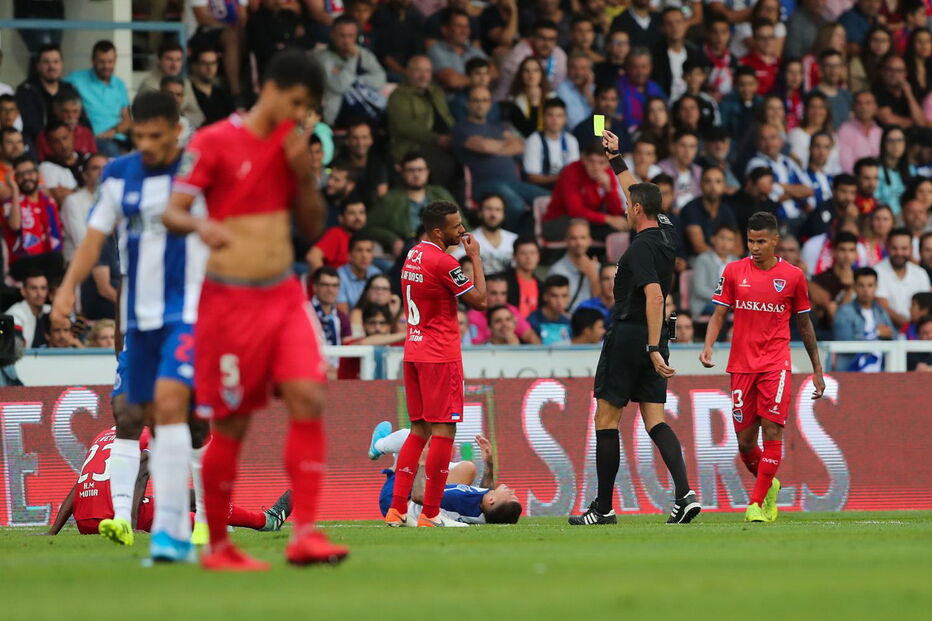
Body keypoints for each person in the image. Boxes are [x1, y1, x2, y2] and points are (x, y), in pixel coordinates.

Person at [163, 50, 347, 569]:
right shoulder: (214, 140)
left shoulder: (290, 145)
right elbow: (173, 211)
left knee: (309, 395)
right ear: (272, 87)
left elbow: (312, 226)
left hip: (284, 295)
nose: (302, 115)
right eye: (298, 103)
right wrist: (202, 225)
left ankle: (306, 533)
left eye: (309, 108)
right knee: (234, 423)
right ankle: (218, 546)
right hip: (229, 303)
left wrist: (302, 173)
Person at [50, 91, 210, 556]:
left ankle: (202, 518)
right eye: (137, 136)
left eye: (155, 136)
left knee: (184, 417)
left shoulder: (197, 172)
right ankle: (125, 519)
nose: (146, 145)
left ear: (176, 131)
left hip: (188, 312)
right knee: (128, 415)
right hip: (140, 317)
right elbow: (93, 240)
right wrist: (66, 288)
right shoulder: (119, 174)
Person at [572, 129, 699, 526]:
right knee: (655, 418)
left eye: (629, 204)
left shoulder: (641, 248)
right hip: (657, 336)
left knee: (605, 420)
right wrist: (616, 158)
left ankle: (604, 508)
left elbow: (656, 297)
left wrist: (650, 347)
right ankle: (685, 495)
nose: (626, 207)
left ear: (638, 209)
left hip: (632, 336)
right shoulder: (665, 231)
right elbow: (638, 191)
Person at [701, 211, 826, 523]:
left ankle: (756, 504)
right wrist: (708, 345)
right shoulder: (732, 271)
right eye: (750, 241)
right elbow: (718, 314)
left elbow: (805, 325)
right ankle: (769, 483)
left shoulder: (794, 277)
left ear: (775, 241)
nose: (754, 247)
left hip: (775, 365)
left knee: (772, 431)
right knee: (745, 443)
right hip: (741, 366)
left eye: (760, 242)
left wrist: (817, 369)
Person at [385, 201, 487, 528]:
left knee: (419, 430)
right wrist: (475, 258)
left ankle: (397, 509)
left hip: (413, 351)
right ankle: (430, 513)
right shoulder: (443, 262)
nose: (462, 230)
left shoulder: (413, 254)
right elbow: (481, 301)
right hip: (439, 355)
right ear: (438, 231)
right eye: (456, 226)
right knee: (445, 431)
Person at [47, 427, 292, 537]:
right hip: (113, 519)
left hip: (85, 521)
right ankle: (264, 521)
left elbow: (78, 485)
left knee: (187, 496)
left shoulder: (104, 434)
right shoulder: (146, 434)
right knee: (195, 517)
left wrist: (53, 531)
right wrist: (131, 527)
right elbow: (143, 468)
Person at [371, 424, 521, 524]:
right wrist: (489, 462)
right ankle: (398, 457)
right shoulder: (483, 508)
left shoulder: (458, 500)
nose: (512, 491)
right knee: (468, 468)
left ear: (492, 501)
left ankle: (378, 446)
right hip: (414, 496)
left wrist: (422, 463)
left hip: (399, 501)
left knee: (415, 439)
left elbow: (419, 496)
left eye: (511, 496)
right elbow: (486, 490)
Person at [452, 86, 545, 232]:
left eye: (484, 100)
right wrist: (505, 146)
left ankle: (534, 239)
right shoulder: (462, 128)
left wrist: (496, 147)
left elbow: (520, 145)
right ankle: (513, 243)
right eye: (475, 100)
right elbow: (484, 147)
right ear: (468, 103)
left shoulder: (498, 127)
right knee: (515, 205)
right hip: (484, 185)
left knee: (548, 199)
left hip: (514, 183)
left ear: (490, 104)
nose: (480, 104)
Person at [386, 55, 457, 189]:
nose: (423, 75)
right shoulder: (399, 96)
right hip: (414, 146)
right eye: (418, 71)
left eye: (427, 71)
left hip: (446, 141)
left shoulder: (436, 92)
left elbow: (447, 117)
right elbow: (405, 127)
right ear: (407, 72)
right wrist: (437, 139)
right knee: (445, 164)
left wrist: (457, 135)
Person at [369, 152, 456, 256]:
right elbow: (370, 227)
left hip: (442, 248)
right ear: (402, 172)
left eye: (420, 170)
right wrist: (392, 239)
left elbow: (462, 224)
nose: (416, 174)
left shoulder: (441, 194)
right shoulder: (389, 199)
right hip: (407, 252)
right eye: (411, 170)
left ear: (427, 171)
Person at [311, 15, 387, 127]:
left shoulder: (363, 54)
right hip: (338, 116)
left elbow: (380, 78)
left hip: (365, 112)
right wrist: (353, 60)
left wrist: (356, 80)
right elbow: (339, 86)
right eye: (342, 36)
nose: (346, 41)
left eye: (351, 36)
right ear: (332, 34)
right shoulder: (324, 58)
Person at [543, 140, 626, 240]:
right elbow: (575, 211)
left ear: (608, 163)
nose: (596, 167)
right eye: (592, 161)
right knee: (587, 228)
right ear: (584, 159)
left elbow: (616, 211)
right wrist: (608, 219)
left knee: (627, 222)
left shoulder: (607, 173)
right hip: (559, 221)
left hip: (589, 220)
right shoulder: (571, 171)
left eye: (601, 162)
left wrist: (609, 189)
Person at [3, 155, 65, 281]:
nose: (26, 178)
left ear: (38, 174)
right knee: (55, 259)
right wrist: (14, 190)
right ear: (15, 178)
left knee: (61, 260)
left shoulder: (49, 203)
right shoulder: (10, 203)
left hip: (48, 258)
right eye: (20, 175)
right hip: (21, 261)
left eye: (30, 173)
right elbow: (14, 225)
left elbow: (58, 236)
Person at [65, 40, 131, 158]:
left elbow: (128, 119)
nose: (106, 66)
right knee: (112, 152)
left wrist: (113, 132)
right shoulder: (76, 79)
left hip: (119, 136)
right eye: (101, 62)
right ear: (93, 60)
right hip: (93, 138)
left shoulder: (119, 84)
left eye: (110, 62)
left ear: (115, 61)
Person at [14, 44, 82, 145]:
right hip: (39, 144)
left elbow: (83, 120)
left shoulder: (70, 89)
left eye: (56, 62)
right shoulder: (26, 91)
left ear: (61, 64)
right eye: (46, 62)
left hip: (71, 144)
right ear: (38, 66)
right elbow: (31, 127)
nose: (52, 66)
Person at [745, 123, 813, 223]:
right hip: (775, 220)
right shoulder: (755, 164)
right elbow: (771, 195)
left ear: (781, 141)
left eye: (772, 138)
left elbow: (809, 190)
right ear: (757, 143)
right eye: (763, 139)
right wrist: (798, 192)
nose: (769, 143)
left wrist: (781, 187)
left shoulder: (789, 162)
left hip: (799, 217)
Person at [833, 266, 895, 371]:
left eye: (870, 285)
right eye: (861, 285)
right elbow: (845, 343)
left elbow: (893, 336)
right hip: (851, 371)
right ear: (854, 287)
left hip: (880, 371)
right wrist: (876, 333)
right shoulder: (844, 312)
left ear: (876, 287)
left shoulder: (881, 311)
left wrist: (889, 334)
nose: (866, 290)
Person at [138, 40, 205, 129]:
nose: (174, 65)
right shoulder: (149, 85)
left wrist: (182, 117)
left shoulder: (185, 83)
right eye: (169, 59)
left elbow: (198, 115)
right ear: (159, 60)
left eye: (178, 60)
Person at [495, 20, 567, 102]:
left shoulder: (560, 55)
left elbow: (554, 87)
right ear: (532, 37)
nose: (546, 44)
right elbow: (521, 85)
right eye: (542, 38)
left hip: (541, 102)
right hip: (508, 100)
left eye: (551, 39)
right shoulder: (519, 53)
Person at [875, 228, 932, 330]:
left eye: (904, 248)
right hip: (888, 332)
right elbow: (882, 306)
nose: (899, 253)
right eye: (894, 248)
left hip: (918, 334)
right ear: (887, 247)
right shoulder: (877, 272)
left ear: (911, 249)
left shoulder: (920, 273)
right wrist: (908, 327)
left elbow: (927, 306)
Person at [428, 8, 490, 96]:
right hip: (450, 104)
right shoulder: (436, 50)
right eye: (459, 26)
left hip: (477, 101)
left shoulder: (474, 50)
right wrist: (481, 79)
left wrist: (469, 80)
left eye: (466, 26)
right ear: (445, 30)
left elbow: (494, 71)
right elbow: (451, 80)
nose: (464, 31)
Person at [450, 194, 518, 274]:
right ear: (480, 212)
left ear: (504, 214)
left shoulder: (515, 240)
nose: (493, 214)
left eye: (498, 209)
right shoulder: (467, 241)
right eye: (489, 209)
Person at [679, 166, 738, 258]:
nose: (713, 186)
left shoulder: (726, 210)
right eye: (708, 181)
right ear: (700, 184)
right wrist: (721, 259)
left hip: (724, 259)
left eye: (718, 181)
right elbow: (699, 247)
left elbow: (738, 246)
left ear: (724, 186)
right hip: (697, 260)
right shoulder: (691, 208)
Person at [466, 274, 540, 345]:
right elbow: (474, 349)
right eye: (494, 293)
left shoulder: (511, 310)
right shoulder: (473, 316)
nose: (499, 299)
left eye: (503, 293)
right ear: (484, 294)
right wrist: (499, 341)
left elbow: (531, 337)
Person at [522, 97, 579, 188]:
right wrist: (561, 178)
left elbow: (574, 172)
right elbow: (532, 177)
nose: (554, 120)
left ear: (565, 119)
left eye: (559, 116)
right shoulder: (534, 140)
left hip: (565, 188)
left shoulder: (571, 140)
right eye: (550, 115)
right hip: (540, 189)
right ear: (543, 117)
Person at [549, 220, 603, 312]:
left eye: (583, 238)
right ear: (566, 240)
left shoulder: (597, 268)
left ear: (589, 240)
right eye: (574, 238)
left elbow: (603, 304)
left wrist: (593, 277)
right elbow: (555, 309)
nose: (579, 243)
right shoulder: (557, 270)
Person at [809, 231, 860, 328]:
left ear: (856, 253)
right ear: (834, 252)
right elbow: (835, 318)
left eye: (851, 250)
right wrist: (849, 289)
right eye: (842, 250)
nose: (847, 256)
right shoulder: (820, 280)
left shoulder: (862, 276)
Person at [690, 223, 739, 317]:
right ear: (713, 239)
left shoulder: (736, 261)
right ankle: (722, 332)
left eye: (730, 240)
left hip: (730, 304)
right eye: (722, 238)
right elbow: (700, 289)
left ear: (734, 244)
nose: (725, 243)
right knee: (721, 308)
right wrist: (724, 299)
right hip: (705, 303)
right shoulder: (703, 259)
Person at [307, 199, 367, 270]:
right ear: (341, 218)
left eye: (361, 213)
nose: (358, 217)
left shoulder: (365, 237)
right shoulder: (336, 234)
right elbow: (313, 257)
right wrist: (323, 278)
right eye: (351, 213)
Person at [37, 92, 97, 162]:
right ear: (56, 111)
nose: (71, 116)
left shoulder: (86, 132)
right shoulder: (44, 136)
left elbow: (94, 159)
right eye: (66, 112)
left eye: (75, 112)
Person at [37, 120, 86, 205]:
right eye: (56, 141)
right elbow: (61, 199)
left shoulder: (87, 158)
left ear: (72, 135)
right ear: (49, 144)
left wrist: (72, 192)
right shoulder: (46, 167)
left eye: (65, 138)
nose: (63, 145)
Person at [873, 55, 928, 130]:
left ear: (905, 74)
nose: (894, 74)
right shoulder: (877, 90)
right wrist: (914, 122)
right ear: (883, 72)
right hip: (889, 135)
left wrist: (909, 95)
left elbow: (920, 122)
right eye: (890, 70)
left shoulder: (911, 89)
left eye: (899, 71)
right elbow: (888, 120)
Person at [616, 48, 665, 130]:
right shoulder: (617, 88)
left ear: (651, 68)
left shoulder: (656, 89)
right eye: (635, 67)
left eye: (643, 67)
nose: (639, 72)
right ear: (627, 68)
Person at [188, 47, 236, 127]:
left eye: (213, 63)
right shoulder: (188, 93)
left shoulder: (223, 94)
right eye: (204, 63)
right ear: (194, 66)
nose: (210, 68)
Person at [838, 91, 882, 174]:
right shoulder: (845, 130)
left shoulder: (879, 132)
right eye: (859, 103)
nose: (863, 107)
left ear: (875, 107)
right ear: (853, 107)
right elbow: (846, 163)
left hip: (879, 180)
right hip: (854, 181)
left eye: (868, 103)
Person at [336, 233, 382, 313]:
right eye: (359, 250)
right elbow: (343, 314)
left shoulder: (376, 273)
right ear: (349, 255)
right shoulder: (339, 276)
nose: (364, 255)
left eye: (368, 251)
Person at [658, 129, 701, 210]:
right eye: (683, 145)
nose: (687, 151)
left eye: (692, 146)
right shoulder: (660, 170)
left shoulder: (699, 171)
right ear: (673, 147)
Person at [3, 271, 49, 348]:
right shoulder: (14, 314)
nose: (39, 293)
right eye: (34, 288)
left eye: (43, 288)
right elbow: (16, 349)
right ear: (23, 291)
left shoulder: (51, 311)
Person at [528, 274, 573, 344]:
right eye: (554, 296)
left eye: (564, 296)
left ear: (569, 298)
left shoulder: (569, 322)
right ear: (545, 296)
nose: (559, 301)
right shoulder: (533, 321)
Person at [740, 19, 781, 96]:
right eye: (762, 38)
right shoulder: (744, 63)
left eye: (771, 37)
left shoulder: (780, 63)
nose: (767, 41)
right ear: (754, 39)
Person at [504, 236, 542, 317]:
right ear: (514, 256)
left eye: (532, 253)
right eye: (523, 253)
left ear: (538, 257)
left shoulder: (541, 286)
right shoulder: (504, 282)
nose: (528, 257)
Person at [556, 53, 595, 130]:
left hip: (595, 136)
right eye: (574, 68)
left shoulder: (594, 89)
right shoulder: (562, 90)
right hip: (574, 136)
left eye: (583, 68)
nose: (578, 73)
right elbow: (573, 123)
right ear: (567, 69)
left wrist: (588, 94)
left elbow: (602, 117)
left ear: (590, 71)